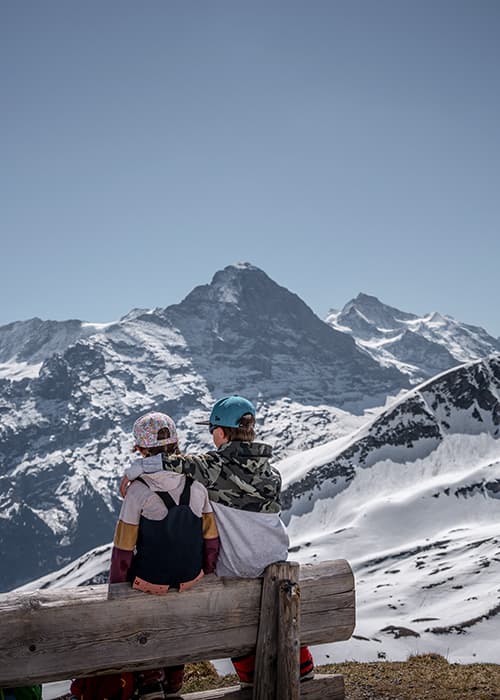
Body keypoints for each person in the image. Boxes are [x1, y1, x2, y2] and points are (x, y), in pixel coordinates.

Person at [121, 396, 314, 688]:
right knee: (272, 607)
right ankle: (304, 664)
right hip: (276, 559)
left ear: (222, 433)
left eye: (212, 429)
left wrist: (133, 470)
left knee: (233, 614)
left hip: (238, 565)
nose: (211, 435)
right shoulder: (271, 473)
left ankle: (248, 676)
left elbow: (173, 464)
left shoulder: (214, 468)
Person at [109, 411, 220, 700]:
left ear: (142, 450)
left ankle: (149, 680)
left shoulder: (139, 491)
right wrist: (203, 573)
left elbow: (123, 550)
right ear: (176, 444)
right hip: (189, 577)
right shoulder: (196, 486)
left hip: (150, 581)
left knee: (143, 611)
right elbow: (210, 539)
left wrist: (116, 588)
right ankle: (174, 678)